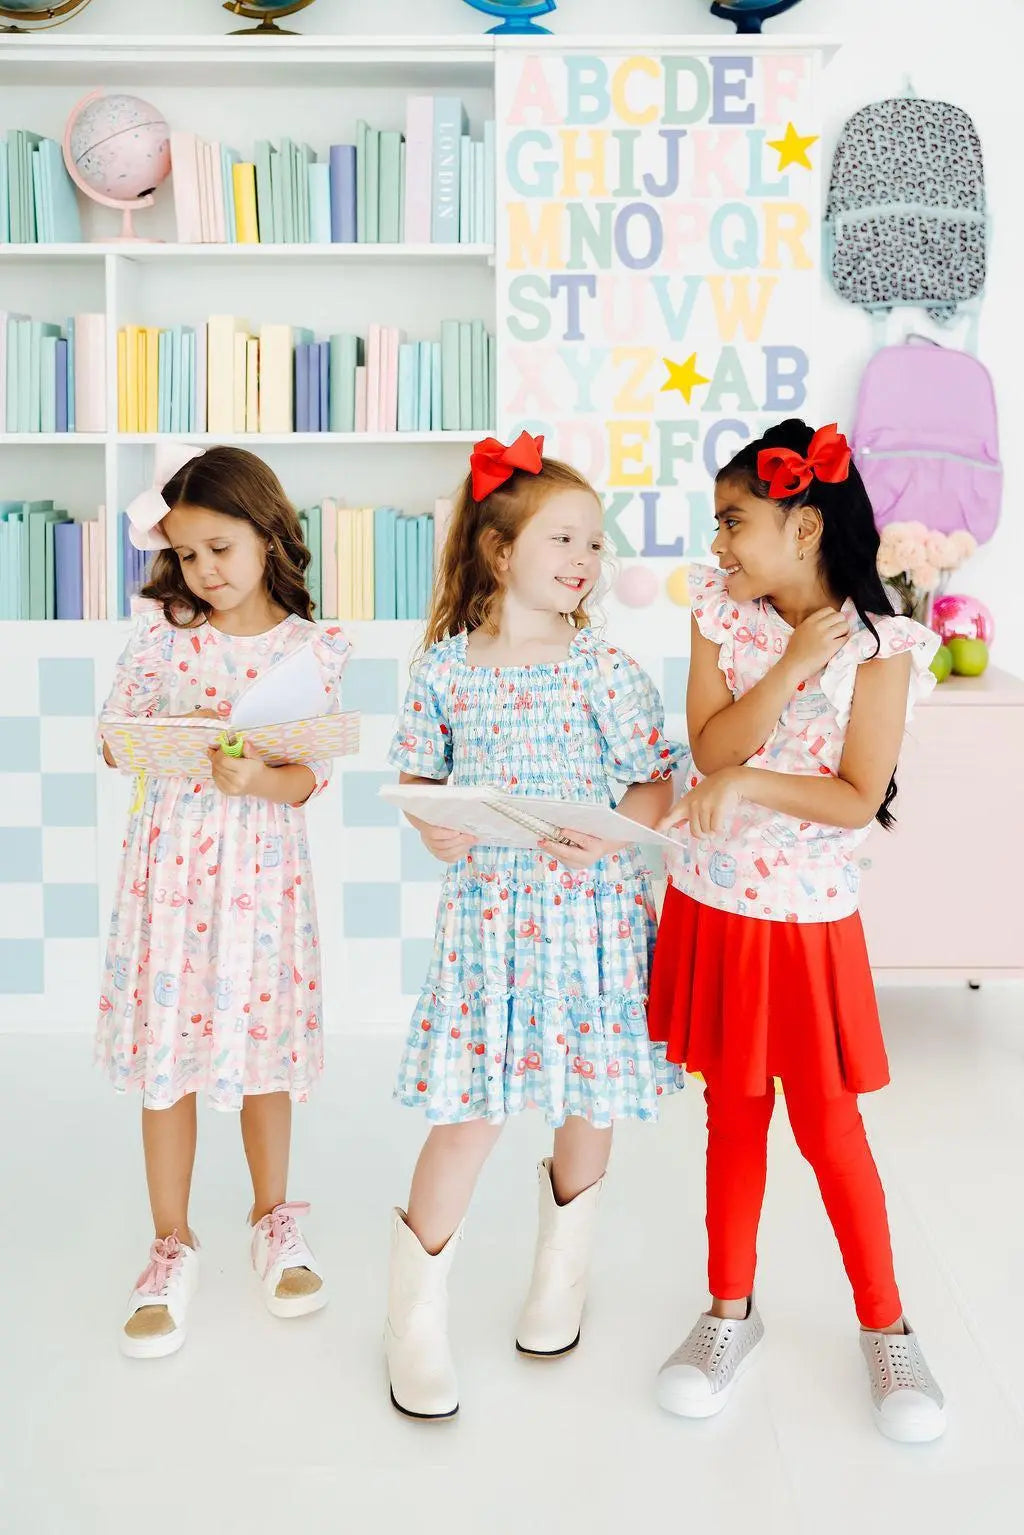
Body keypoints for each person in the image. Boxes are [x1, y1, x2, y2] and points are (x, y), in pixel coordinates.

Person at [648, 419, 946, 1443]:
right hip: (715, 903)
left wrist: (748, 781)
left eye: (735, 521)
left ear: (805, 525)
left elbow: (858, 794)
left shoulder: (882, 643)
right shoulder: (718, 613)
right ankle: (729, 1308)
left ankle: (887, 1325)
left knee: (827, 1129)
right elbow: (706, 745)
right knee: (730, 1115)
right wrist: (779, 673)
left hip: (806, 925)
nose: (720, 542)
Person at [384, 432, 686, 1419]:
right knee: (468, 1114)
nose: (585, 560)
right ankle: (414, 1316)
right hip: (489, 922)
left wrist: (614, 840)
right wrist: (433, 824)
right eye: (564, 538)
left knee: (585, 1095)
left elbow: (652, 777)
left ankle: (561, 1276)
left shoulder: (601, 665)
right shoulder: (444, 671)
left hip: (590, 913)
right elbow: (421, 783)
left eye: (596, 544)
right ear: (499, 550)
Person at [97, 443, 350, 1358]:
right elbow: (115, 739)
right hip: (170, 878)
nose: (205, 571)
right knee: (168, 1059)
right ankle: (170, 1242)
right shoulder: (165, 634)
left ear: (269, 534)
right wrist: (171, 740)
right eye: (189, 554)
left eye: (221, 549)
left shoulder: (310, 647)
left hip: (259, 884)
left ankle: (273, 1219)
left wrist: (254, 775)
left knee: (263, 1050)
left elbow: (310, 778)